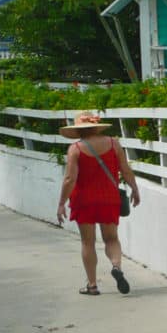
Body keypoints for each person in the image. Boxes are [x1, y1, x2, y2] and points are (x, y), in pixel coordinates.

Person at [56, 113, 141, 295]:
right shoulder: (113, 144)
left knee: (88, 243)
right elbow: (125, 170)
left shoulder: (75, 149)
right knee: (111, 238)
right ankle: (116, 267)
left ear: (79, 130)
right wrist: (134, 188)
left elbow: (70, 179)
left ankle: (92, 285)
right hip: (109, 198)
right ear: (97, 127)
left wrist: (62, 203)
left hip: (83, 201)